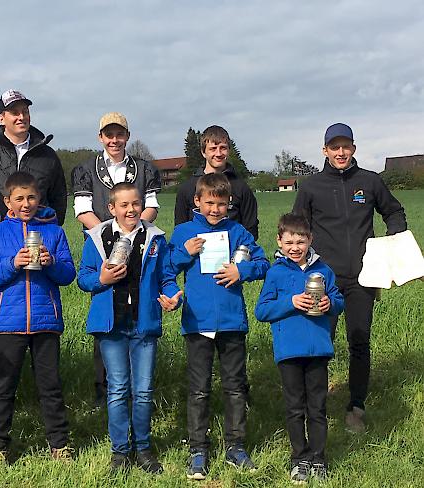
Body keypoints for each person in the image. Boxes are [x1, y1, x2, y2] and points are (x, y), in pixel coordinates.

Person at [292, 123, 407, 433]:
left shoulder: (370, 182)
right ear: (325, 150)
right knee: (319, 342)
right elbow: (297, 228)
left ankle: (356, 406)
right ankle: (315, 407)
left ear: (353, 148)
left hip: (363, 278)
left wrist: (394, 243)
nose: (340, 152)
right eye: (334, 147)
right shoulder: (311, 186)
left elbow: (394, 212)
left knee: (359, 341)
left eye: (346, 146)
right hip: (323, 279)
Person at [167, 173, 269, 480]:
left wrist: (243, 270)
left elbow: (263, 262)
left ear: (229, 205)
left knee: (235, 387)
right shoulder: (184, 231)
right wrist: (185, 251)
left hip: (231, 321)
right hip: (197, 322)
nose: (215, 209)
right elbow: (167, 267)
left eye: (221, 204)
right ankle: (198, 448)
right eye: (209, 202)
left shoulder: (237, 231)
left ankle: (235, 446)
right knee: (199, 389)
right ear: (197, 201)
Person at [77, 182, 181, 474]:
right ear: (112, 208)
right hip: (112, 327)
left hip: (143, 325)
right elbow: (83, 278)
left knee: (144, 390)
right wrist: (102, 280)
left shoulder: (156, 239)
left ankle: (144, 448)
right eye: (123, 205)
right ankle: (120, 451)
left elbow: (167, 277)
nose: (131, 209)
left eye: (135, 203)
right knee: (118, 388)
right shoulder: (97, 238)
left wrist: (173, 296)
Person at [0, 171, 76, 463]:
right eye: (19, 198)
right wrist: (12, 263)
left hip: (46, 322)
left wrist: (51, 263)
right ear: (7, 201)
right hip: (8, 323)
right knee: (3, 387)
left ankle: (60, 444)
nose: (26, 203)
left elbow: (68, 274)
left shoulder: (54, 231)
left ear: (39, 198)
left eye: (31, 197)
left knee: (50, 386)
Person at [72, 111, 162, 407]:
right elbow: (82, 210)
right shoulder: (85, 169)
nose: (114, 139)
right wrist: (109, 234)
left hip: (139, 242)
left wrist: (131, 231)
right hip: (101, 246)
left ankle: (140, 392)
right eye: (108, 134)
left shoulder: (145, 168)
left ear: (127, 136)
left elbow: (150, 206)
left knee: (138, 308)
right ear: (100, 137)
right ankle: (104, 391)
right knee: (107, 315)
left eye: (119, 134)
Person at [255, 213, 344, 484]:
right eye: (290, 242)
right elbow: (262, 310)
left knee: (317, 407)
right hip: (289, 352)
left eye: (301, 241)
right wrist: (291, 302)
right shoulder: (276, 272)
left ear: (310, 241)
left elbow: (339, 300)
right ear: (279, 242)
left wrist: (331, 303)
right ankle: (299, 458)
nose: (295, 247)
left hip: (318, 349)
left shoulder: (324, 270)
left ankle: (318, 458)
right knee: (295, 407)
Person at [0, 89, 67, 223]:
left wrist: (52, 230)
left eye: (25, 111)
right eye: (15, 113)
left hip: (37, 236)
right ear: (1, 119)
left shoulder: (48, 156)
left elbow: (58, 199)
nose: (21, 117)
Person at [174, 125, 258, 238]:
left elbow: (250, 230)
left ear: (229, 150)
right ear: (203, 152)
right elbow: (180, 230)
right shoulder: (187, 188)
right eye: (213, 149)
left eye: (223, 148)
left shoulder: (241, 188)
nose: (218, 154)